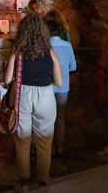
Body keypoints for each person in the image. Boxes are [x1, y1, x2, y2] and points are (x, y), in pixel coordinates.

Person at [4, 12, 63, 192]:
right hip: (45, 95)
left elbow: (7, 80)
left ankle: (23, 183)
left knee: (22, 140)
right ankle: (43, 181)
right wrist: (44, 82)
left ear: (23, 32)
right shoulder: (50, 52)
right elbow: (59, 83)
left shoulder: (17, 52)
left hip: (22, 95)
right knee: (44, 141)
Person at [46, 20, 77, 156]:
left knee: (47, 118)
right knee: (60, 117)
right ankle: (59, 146)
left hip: (47, 88)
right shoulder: (67, 45)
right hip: (63, 87)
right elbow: (73, 67)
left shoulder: (44, 46)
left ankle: (50, 147)